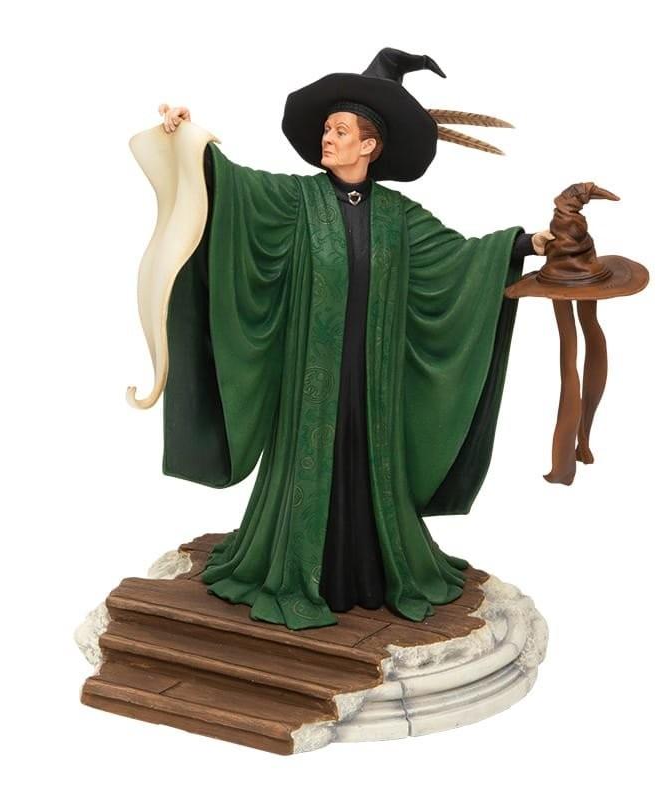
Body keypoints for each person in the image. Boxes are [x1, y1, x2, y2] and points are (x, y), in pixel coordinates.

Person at [149, 48, 551, 630]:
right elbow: (230, 187)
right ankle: (298, 569)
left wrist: (526, 244)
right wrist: (190, 139)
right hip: (309, 377)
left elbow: (461, 256)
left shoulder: (399, 216)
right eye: (327, 129)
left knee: (367, 461)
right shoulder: (295, 200)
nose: (328, 138)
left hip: (373, 377)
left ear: (369, 145)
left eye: (340, 130)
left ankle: (372, 571)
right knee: (311, 459)